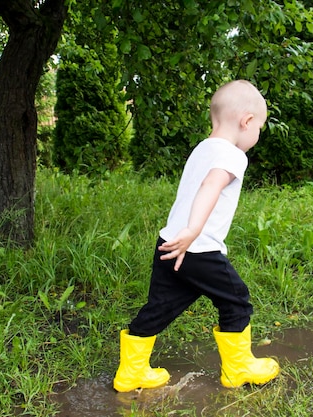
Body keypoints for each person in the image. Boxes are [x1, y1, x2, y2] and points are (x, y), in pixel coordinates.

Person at [113, 80, 279, 392]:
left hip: (168, 244)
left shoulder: (202, 148)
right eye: (260, 127)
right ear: (247, 121)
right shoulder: (232, 155)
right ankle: (239, 368)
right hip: (197, 248)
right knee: (237, 301)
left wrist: (183, 234)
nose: (258, 134)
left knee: (160, 306)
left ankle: (131, 373)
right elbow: (211, 187)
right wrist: (193, 231)